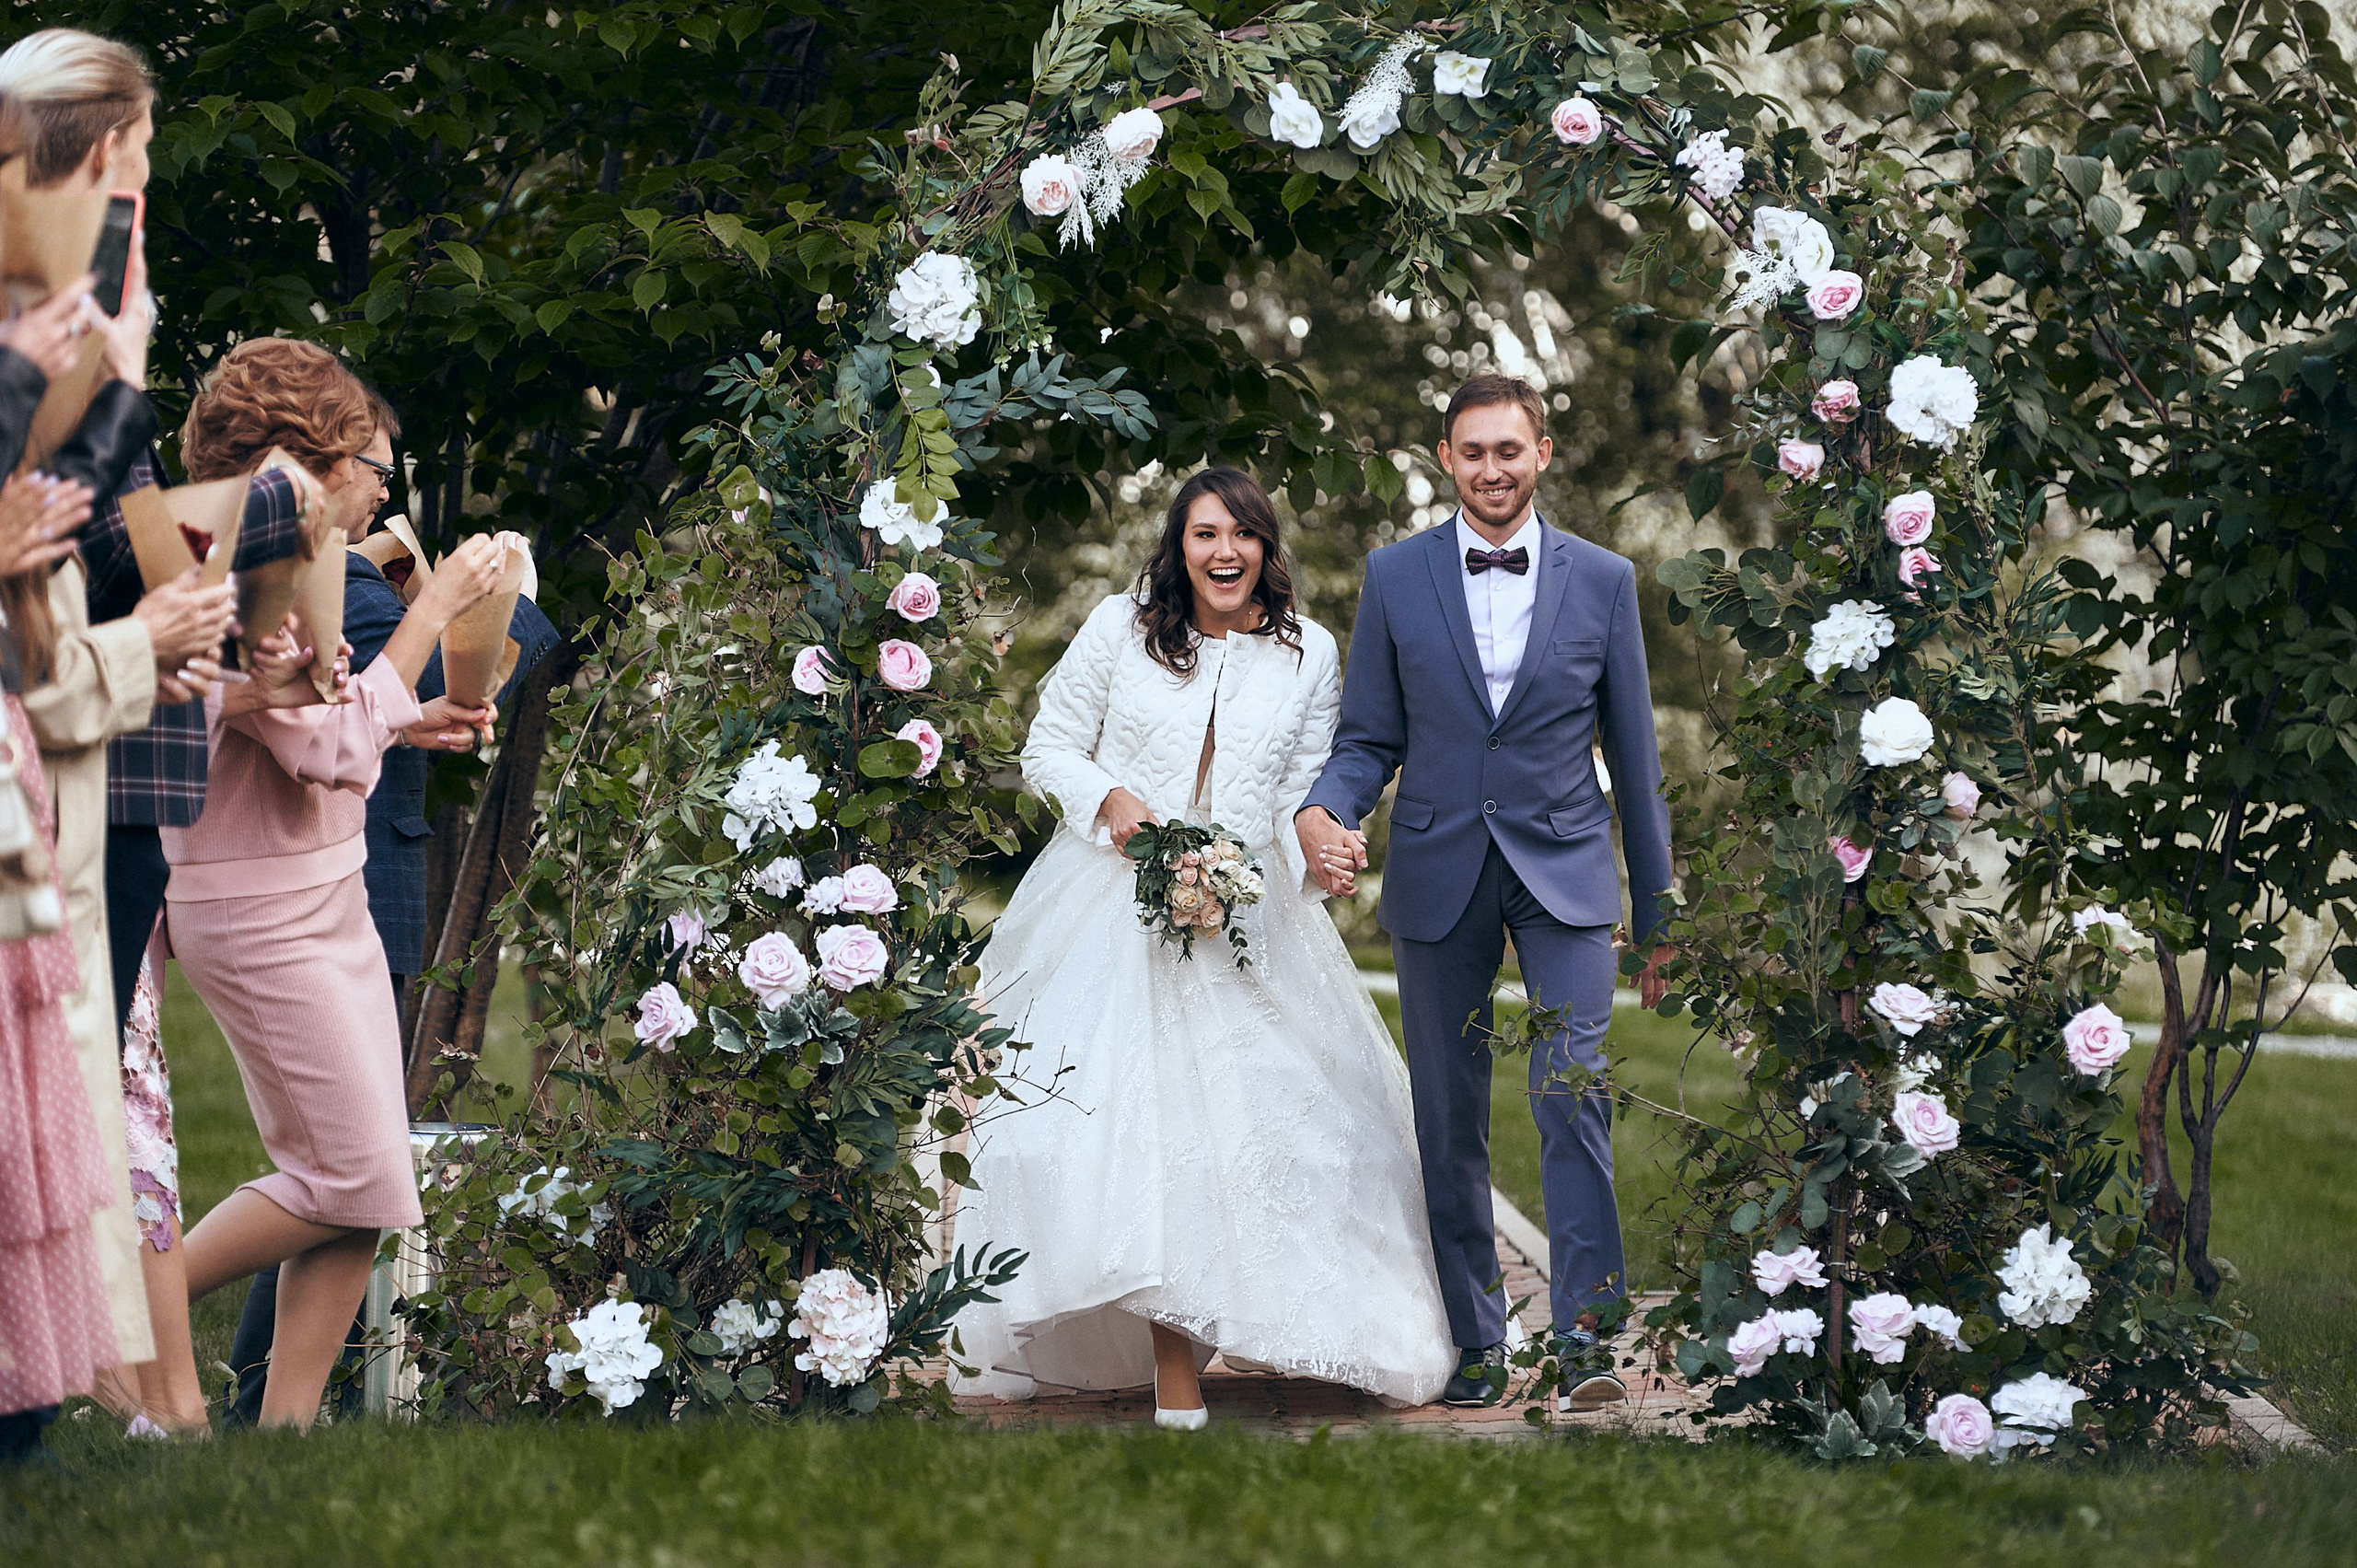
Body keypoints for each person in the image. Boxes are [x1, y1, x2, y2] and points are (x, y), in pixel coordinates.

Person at [950, 466, 1455, 1425]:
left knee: (1316, 1126)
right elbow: (1049, 745)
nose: (1225, 551)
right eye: (1204, 534)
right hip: (1112, 905)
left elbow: (1302, 789)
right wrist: (1113, 804)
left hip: (1248, 910)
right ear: (1178, 546)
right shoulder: (1119, 626)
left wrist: (1321, 839)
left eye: (1243, 534)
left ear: (1267, 548)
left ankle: (1348, 1337)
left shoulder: (1308, 654)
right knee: (1134, 1131)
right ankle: (1170, 1372)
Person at [1295, 374, 1676, 1410]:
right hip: (1436, 866)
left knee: (1572, 1094)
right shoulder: (1395, 575)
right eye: (1473, 452)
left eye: (1510, 450)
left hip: (1566, 873)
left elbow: (1634, 762)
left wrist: (1659, 909)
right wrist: (1324, 808)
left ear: (1542, 453)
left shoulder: (1603, 580)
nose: (1492, 469)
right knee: (1447, 1113)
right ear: (1445, 457)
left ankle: (1588, 1340)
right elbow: (1368, 737)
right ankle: (1477, 1337)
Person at [219, 385, 556, 1427]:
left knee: (361, 1180)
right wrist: (435, 602)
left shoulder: (321, 576)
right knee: (347, 1169)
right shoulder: (301, 580)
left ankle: (279, 1427)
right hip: (286, 893)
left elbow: (327, 721)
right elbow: (318, 741)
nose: (382, 490)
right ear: (317, 463)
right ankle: (118, 1328)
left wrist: (411, 720)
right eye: (373, 468)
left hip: (328, 890)